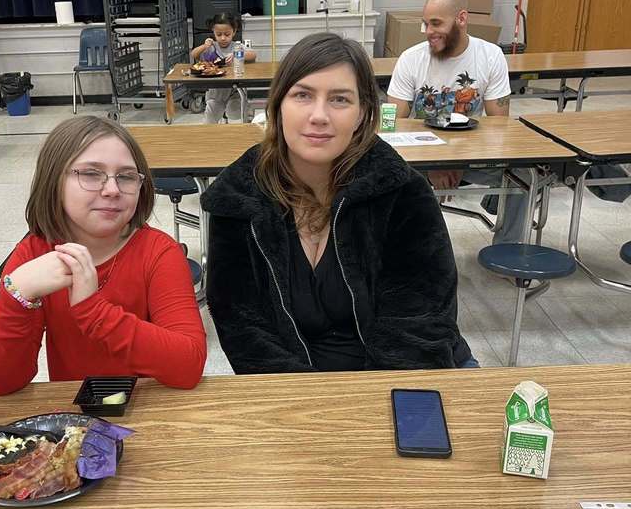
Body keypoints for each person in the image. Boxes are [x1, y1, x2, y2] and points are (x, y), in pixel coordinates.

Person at [201, 32, 474, 374]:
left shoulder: (403, 193)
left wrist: (367, 406)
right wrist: (308, 406)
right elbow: (243, 327)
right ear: (277, 106)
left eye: (340, 100)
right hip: (288, 385)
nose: (319, 115)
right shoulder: (238, 198)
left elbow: (419, 324)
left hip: (397, 372)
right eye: (302, 95)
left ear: (362, 113)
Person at [0, 116, 206, 394]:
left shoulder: (159, 252)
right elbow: (3, 383)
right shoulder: (34, 254)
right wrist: (16, 298)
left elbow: (189, 365)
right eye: (90, 174)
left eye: (126, 176)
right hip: (74, 427)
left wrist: (93, 312)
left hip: (150, 414)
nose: (112, 190)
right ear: (54, 181)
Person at [386, 0, 526, 245]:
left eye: (436, 23)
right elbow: (392, 125)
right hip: (422, 159)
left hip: (469, 157)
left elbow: (499, 127)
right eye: (425, 24)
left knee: (525, 173)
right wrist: (436, 163)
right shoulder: (410, 59)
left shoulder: (491, 56)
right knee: (382, 169)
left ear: (461, 19)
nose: (429, 32)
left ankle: (508, 248)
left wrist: (458, 161)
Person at [190, 12, 256, 124]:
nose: (223, 38)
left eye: (227, 34)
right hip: (215, 93)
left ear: (234, 32)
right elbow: (194, 55)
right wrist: (204, 46)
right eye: (219, 34)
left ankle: (246, 112)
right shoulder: (211, 47)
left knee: (237, 118)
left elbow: (253, 55)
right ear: (213, 32)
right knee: (209, 122)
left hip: (235, 91)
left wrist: (238, 54)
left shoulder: (237, 46)